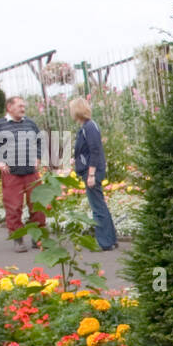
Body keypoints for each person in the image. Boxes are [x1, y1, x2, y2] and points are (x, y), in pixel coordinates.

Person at [0, 95, 46, 252]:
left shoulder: (30, 123)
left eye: (24, 106)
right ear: (9, 107)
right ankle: (18, 239)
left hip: (31, 173)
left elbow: (40, 141)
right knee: (14, 207)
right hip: (11, 174)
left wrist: (38, 157)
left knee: (37, 205)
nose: (23, 108)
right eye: (20, 106)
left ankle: (37, 237)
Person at [69, 98, 117, 251]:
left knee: (97, 207)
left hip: (92, 172)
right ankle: (110, 239)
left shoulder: (89, 127)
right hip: (91, 170)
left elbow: (95, 151)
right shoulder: (86, 127)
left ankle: (104, 242)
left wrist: (91, 174)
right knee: (100, 204)